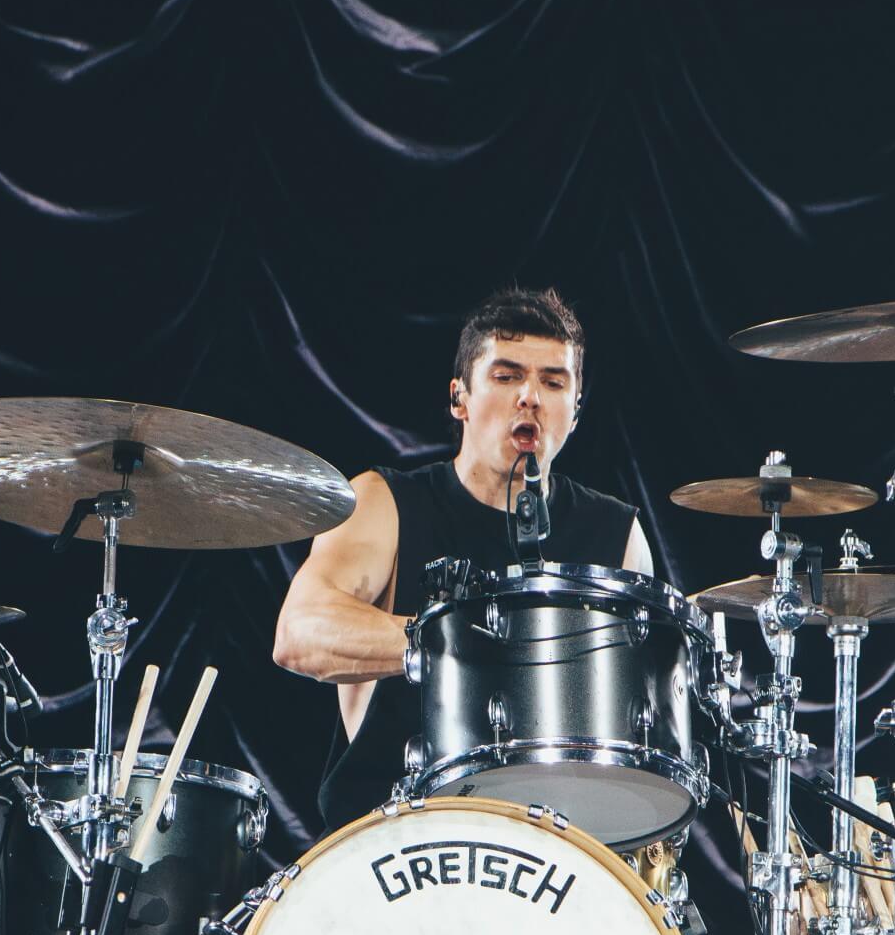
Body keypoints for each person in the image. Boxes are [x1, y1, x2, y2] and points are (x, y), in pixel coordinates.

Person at [273, 287, 655, 831]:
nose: (530, 396)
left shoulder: (616, 533)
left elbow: (647, 719)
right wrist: (459, 641)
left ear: (576, 409)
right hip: (392, 839)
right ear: (460, 398)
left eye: (553, 382)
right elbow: (298, 632)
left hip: (557, 845)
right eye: (506, 376)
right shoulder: (387, 502)